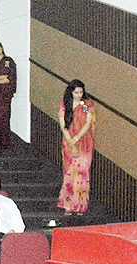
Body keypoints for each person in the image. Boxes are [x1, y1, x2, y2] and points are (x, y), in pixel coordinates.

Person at [57, 79, 95, 215]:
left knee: (83, 173)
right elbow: (63, 125)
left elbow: (88, 121)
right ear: (71, 92)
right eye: (76, 92)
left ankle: (80, 205)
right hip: (68, 141)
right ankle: (68, 205)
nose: (79, 95)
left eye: (81, 92)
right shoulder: (65, 105)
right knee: (70, 172)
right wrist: (71, 141)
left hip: (84, 141)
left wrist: (77, 138)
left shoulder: (86, 104)